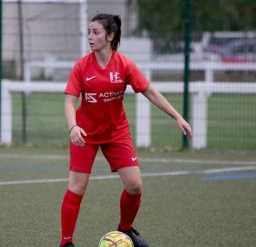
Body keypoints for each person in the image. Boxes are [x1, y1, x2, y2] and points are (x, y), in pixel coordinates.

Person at [60, 14, 192, 247]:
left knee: (134, 185)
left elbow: (150, 91)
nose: (90, 37)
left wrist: (177, 116)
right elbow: (69, 101)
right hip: (85, 135)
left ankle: (125, 229)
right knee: (77, 187)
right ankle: (66, 242)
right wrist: (73, 127)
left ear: (110, 36)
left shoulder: (124, 65)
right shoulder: (81, 66)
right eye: (89, 32)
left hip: (116, 132)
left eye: (96, 32)